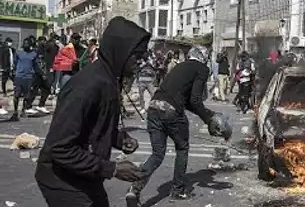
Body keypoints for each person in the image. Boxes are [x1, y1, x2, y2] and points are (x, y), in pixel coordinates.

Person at [35, 17, 151, 207]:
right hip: (61, 180)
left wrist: (118, 139)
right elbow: (60, 148)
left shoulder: (108, 79)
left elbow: (95, 127)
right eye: (136, 55)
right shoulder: (87, 86)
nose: (140, 62)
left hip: (85, 174)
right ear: (120, 52)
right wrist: (112, 169)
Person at [125, 46, 232, 206]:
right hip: (171, 111)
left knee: (157, 154)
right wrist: (209, 119)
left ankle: (135, 189)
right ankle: (178, 190)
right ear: (203, 57)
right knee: (182, 148)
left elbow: (186, 101)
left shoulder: (179, 66)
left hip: (154, 107)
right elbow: (195, 100)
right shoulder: (201, 69)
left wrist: (208, 115)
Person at [9, 38, 42, 121]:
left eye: (27, 43)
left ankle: (23, 110)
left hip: (29, 77)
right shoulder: (18, 53)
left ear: (30, 45)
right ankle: (15, 111)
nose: (26, 45)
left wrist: (41, 74)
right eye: (24, 43)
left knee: (26, 96)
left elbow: (35, 65)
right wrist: (13, 72)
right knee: (16, 95)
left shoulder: (34, 54)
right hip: (19, 77)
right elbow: (15, 63)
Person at [29, 36, 52, 114]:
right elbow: (37, 63)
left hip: (42, 73)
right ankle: (27, 107)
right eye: (43, 41)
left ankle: (41, 105)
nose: (44, 42)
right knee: (34, 90)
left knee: (47, 88)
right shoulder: (36, 50)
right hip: (37, 74)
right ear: (39, 41)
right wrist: (42, 73)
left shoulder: (43, 50)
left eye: (45, 41)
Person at [136, 51, 156, 115]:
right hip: (141, 81)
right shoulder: (140, 62)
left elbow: (154, 69)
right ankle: (142, 108)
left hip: (149, 81)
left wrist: (149, 64)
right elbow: (137, 70)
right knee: (141, 96)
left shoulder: (150, 62)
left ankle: (151, 107)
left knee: (153, 95)